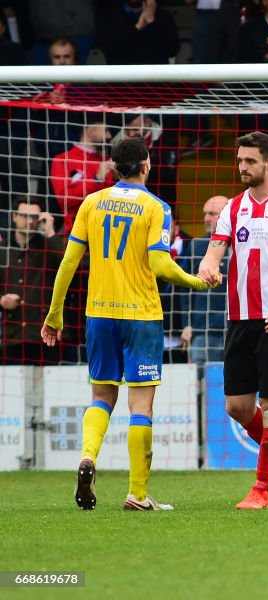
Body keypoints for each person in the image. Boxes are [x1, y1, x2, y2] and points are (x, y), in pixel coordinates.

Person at [40, 135, 217, 511]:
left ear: (113, 167)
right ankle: (137, 494)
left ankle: (88, 457)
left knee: (101, 397)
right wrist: (194, 281)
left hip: (99, 314)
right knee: (141, 406)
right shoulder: (157, 207)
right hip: (140, 316)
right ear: (147, 165)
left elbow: (68, 263)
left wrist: (54, 314)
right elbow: (159, 263)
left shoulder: (91, 203)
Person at [197, 132, 268, 509]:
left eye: (249, 161)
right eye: (240, 160)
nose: (242, 167)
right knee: (237, 407)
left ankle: (261, 488)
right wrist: (208, 268)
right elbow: (214, 252)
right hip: (239, 319)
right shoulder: (232, 208)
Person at [1, 198, 63, 365]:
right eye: (24, 216)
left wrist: (50, 232)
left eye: (34, 217)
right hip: (10, 336)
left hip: (42, 336)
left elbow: (69, 269)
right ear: (14, 216)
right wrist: (1, 299)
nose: (29, 221)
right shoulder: (3, 250)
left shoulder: (48, 247)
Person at [176, 195, 229, 367]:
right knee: (201, 387)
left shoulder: (242, 244)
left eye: (212, 213)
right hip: (202, 332)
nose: (205, 218)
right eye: (205, 213)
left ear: (227, 215)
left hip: (236, 329)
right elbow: (185, 288)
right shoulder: (197, 246)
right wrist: (187, 324)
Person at [50, 113, 116, 235]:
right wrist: (96, 179)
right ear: (90, 132)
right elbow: (65, 201)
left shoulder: (107, 162)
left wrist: (119, 177)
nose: (109, 136)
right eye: (106, 130)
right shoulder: (62, 160)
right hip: (77, 234)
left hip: (108, 232)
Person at [96, 0, 180, 64]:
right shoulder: (109, 16)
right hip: (121, 81)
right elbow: (109, 49)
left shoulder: (163, 16)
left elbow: (172, 50)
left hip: (155, 80)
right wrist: (138, 28)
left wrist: (151, 22)